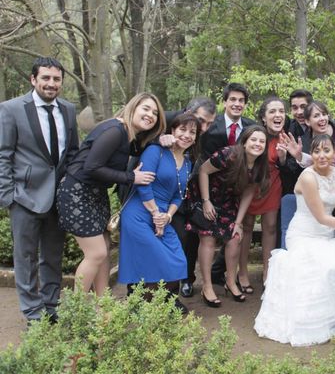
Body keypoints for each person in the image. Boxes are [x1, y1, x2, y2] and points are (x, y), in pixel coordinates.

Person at [254, 135, 335, 346]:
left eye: (326, 150)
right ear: (311, 154)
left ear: (334, 151)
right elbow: (322, 217)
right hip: (304, 235)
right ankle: (315, 325)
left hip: (327, 236)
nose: (322, 155)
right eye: (316, 151)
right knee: (323, 264)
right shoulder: (308, 177)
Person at [57, 93, 164, 296]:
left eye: (155, 113)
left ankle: (102, 307)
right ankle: (76, 311)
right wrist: (131, 177)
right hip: (77, 193)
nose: (150, 115)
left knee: (105, 250)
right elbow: (92, 167)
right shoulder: (115, 130)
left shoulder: (129, 135)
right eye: (146, 109)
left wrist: (166, 136)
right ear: (132, 107)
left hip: (96, 194)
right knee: (96, 254)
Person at [0, 57, 79, 323]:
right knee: (25, 258)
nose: (51, 83)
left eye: (56, 79)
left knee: (52, 257)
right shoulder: (11, 109)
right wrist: (8, 195)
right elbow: (3, 155)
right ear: (33, 79)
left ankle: (51, 305)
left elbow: (74, 154)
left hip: (58, 198)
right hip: (24, 197)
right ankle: (33, 313)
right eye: (45, 78)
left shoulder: (68, 110)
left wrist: (71, 189)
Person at [117, 113, 200, 312]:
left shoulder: (188, 162)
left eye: (192, 132)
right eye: (182, 129)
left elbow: (179, 195)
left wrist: (168, 216)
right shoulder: (156, 151)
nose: (187, 135)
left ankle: (164, 303)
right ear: (172, 130)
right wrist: (156, 214)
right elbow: (144, 185)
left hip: (164, 216)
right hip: (140, 213)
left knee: (177, 261)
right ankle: (140, 306)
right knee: (151, 260)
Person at [186, 125, 270, 307]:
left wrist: (239, 222)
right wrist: (206, 201)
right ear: (245, 141)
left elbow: (248, 192)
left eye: (262, 141)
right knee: (207, 240)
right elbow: (203, 171)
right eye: (253, 140)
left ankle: (231, 282)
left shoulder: (260, 165)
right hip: (206, 195)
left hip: (228, 202)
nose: (257, 144)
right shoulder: (228, 154)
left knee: (234, 238)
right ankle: (207, 286)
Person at [201, 83, 256, 287]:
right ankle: (189, 280)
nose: (237, 104)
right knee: (202, 237)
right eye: (232, 99)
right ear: (224, 102)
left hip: (235, 192)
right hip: (208, 188)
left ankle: (221, 273)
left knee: (234, 234)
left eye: (241, 101)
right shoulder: (209, 126)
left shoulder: (250, 127)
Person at [240, 97, 295, 285]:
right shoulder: (256, 135)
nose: (278, 115)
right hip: (251, 185)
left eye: (281, 111)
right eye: (272, 111)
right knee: (246, 227)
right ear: (264, 117)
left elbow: (289, 167)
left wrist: (283, 158)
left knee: (270, 228)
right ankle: (242, 273)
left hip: (272, 185)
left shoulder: (286, 137)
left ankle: (268, 273)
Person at [164, 97, 217, 298]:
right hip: (155, 192)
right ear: (188, 110)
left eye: (209, 123)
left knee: (188, 236)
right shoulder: (166, 121)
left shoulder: (203, 134)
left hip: (184, 194)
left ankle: (186, 279)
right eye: (201, 120)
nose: (204, 127)